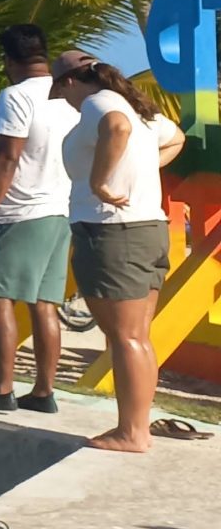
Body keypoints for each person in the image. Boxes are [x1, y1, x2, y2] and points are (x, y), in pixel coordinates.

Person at [52, 52, 186, 454]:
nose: (63, 99)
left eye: (60, 90)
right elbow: (175, 137)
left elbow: (116, 128)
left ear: (72, 82)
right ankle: (137, 426)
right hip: (148, 227)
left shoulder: (100, 104)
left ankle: (132, 432)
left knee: (124, 337)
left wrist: (100, 182)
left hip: (112, 231)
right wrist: (143, 169)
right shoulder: (135, 105)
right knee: (137, 337)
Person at [0, 23, 74, 414]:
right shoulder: (67, 97)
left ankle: (2, 388)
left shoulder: (15, 97)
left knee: (0, 300)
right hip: (58, 211)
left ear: (8, 61)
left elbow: (8, 157)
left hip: (17, 212)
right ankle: (43, 391)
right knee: (45, 305)